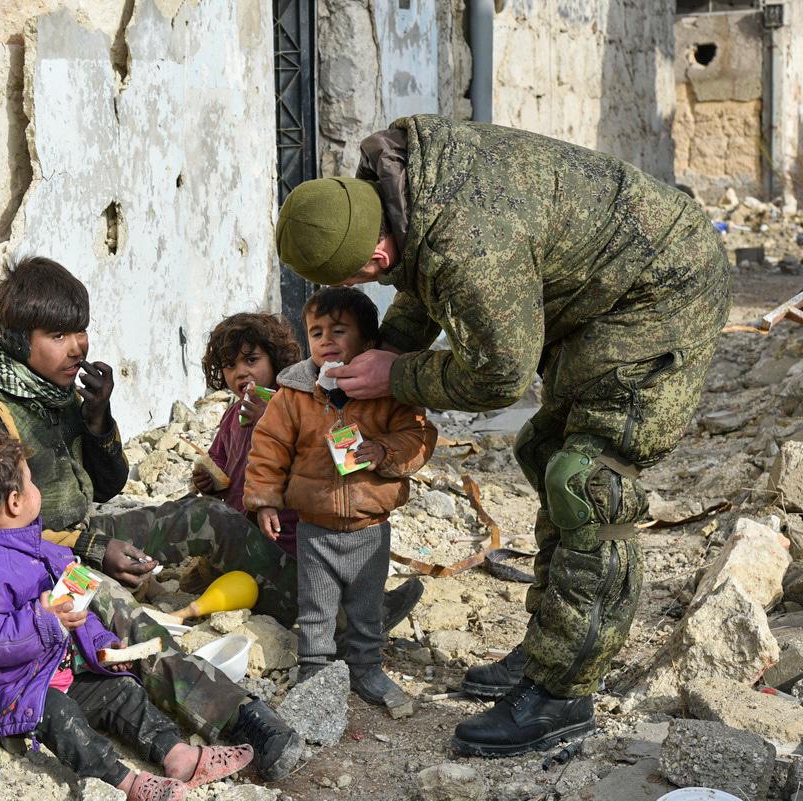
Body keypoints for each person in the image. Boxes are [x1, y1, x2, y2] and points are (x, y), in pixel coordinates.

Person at [274, 114, 731, 756]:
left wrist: (397, 374)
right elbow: (426, 280)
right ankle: (548, 647)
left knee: (588, 483)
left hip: (661, 292)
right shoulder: (396, 190)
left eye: (360, 282)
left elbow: (497, 374)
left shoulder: (468, 239)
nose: (367, 287)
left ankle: (562, 692)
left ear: (374, 255)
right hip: (606, 289)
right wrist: (380, 355)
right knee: (544, 451)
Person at [0, 257, 302, 780]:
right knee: (114, 611)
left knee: (207, 517)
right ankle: (240, 717)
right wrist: (93, 552)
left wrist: (98, 419)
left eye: (81, 329)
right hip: (34, 559)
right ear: (17, 338)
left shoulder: (59, 388)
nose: (78, 345)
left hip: (84, 531)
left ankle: (315, 608)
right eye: (58, 334)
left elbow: (110, 485)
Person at [0, 427, 254, 801]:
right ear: (14, 502)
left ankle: (180, 756)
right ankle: (125, 783)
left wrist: (100, 643)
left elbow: (75, 610)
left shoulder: (38, 549)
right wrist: (42, 622)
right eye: (31, 480)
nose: (36, 487)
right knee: (61, 716)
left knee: (121, 692)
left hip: (49, 668)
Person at [244, 288, 437, 715]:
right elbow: (269, 448)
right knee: (316, 608)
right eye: (316, 331)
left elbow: (419, 436)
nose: (326, 339)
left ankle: (366, 668)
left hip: (370, 527)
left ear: (367, 343)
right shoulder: (294, 394)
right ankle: (314, 670)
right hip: (315, 526)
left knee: (366, 607)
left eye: (339, 330)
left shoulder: (388, 393)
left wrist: (384, 450)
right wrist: (265, 501)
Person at [193, 311, 424, 629]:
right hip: (247, 537)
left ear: (274, 360)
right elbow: (221, 465)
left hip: (297, 541)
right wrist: (209, 479)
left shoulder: (297, 405)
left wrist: (275, 423)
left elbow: (333, 464)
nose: (240, 372)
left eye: (251, 360)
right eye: (230, 365)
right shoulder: (232, 417)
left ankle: (366, 612)